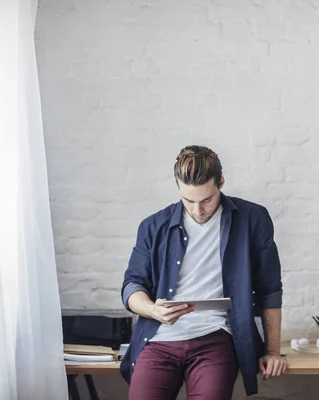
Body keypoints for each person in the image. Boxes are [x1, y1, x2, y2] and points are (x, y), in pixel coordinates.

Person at [120, 145, 286, 399]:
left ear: (221, 182)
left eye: (207, 200)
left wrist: (273, 351)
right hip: (158, 340)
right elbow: (132, 286)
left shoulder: (253, 219)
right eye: (189, 201)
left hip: (215, 338)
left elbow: (270, 290)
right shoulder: (153, 226)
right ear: (178, 188)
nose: (198, 211)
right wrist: (154, 310)